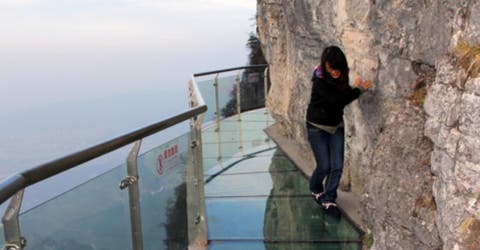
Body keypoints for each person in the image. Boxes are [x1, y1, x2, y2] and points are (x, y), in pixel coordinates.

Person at [306, 45, 372, 210]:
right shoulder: (319, 80)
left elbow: (342, 92)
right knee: (324, 166)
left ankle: (329, 198)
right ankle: (315, 186)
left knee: (337, 166)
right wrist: (359, 90)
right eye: (331, 69)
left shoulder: (342, 73)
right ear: (325, 66)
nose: (335, 72)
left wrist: (352, 88)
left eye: (338, 69)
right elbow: (337, 99)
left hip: (336, 125)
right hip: (317, 126)